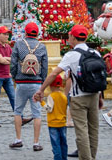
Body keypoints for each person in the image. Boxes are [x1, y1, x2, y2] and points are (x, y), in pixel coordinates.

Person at [34, 25, 103, 160]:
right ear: (86, 37)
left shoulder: (71, 55)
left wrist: (41, 89)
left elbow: (55, 73)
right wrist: (100, 96)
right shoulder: (96, 53)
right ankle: (92, 157)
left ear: (72, 37)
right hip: (94, 95)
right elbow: (99, 76)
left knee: (81, 130)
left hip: (78, 98)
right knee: (93, 129)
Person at [11, 22, 48, 151]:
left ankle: (18, 139)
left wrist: (15, 77)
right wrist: (42, 84)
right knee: (37, 113)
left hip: (21, 83)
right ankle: (36, 143)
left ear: (25, 33)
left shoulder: (19, 44)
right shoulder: (42, 46)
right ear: (37, 33)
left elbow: (13, 64)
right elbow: (44, 68)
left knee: (18, 111)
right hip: (36, 84)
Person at [0, 26, 16, 127]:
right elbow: (1, 61)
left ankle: (20, 118)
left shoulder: (8, 47)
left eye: (7, 34)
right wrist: (7, 59)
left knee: (13, 98)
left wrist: (5, 59)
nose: (7, 36)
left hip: (7, 75)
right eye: (5, 34)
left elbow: (13, 59)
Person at [42, 75, 68, 160]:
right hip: (63, 123)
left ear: (50, 85)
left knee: (56, 144)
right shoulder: (64, 96)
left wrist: (41, 102)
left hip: (53, 124)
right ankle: (64, 158)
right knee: (63, 143)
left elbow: (49, 109)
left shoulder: (51, 96)